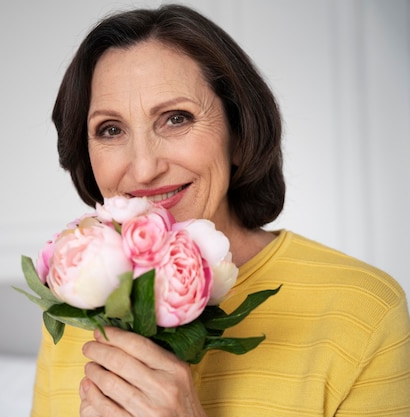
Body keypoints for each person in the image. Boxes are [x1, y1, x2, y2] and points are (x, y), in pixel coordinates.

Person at [30, 4, 410, 416]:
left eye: (176, 119)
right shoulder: (75, 304)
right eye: (111, 129)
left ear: (239, 131)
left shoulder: (365, 311)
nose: (143, 167)